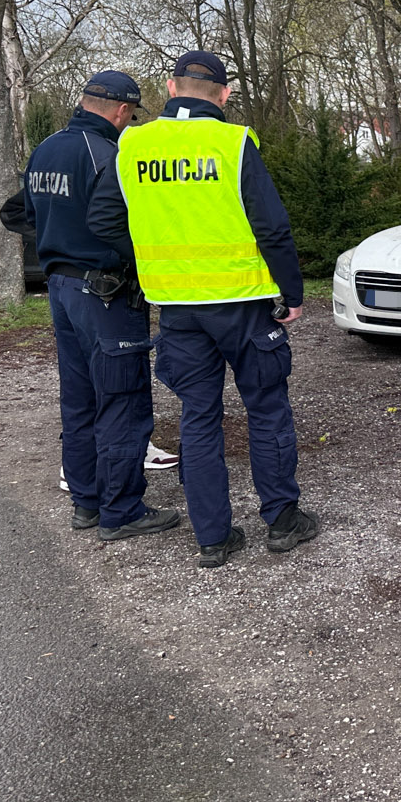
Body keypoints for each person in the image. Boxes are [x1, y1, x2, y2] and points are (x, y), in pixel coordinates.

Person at [89, 51, 318, 568]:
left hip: (177, 308)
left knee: (198, 416)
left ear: (170, 88)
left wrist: (151, 258)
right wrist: (293, 292)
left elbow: (103, 218)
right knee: (266, 409)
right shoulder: (234, 143)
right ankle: (282, 521)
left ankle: (212, 536)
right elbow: (273, 227)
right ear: (225, 95)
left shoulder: (133, 143)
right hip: (242, 303)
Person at [14, 72, 180, 542]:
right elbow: (120, 221)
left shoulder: (46, 149)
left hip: (61, 290)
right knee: (122, 400)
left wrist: (59, 238)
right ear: (123, 111)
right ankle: (122, 509)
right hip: (106, 292)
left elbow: (23, 212)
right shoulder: (108, 154)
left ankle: (86, 501)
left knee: (80, 398)